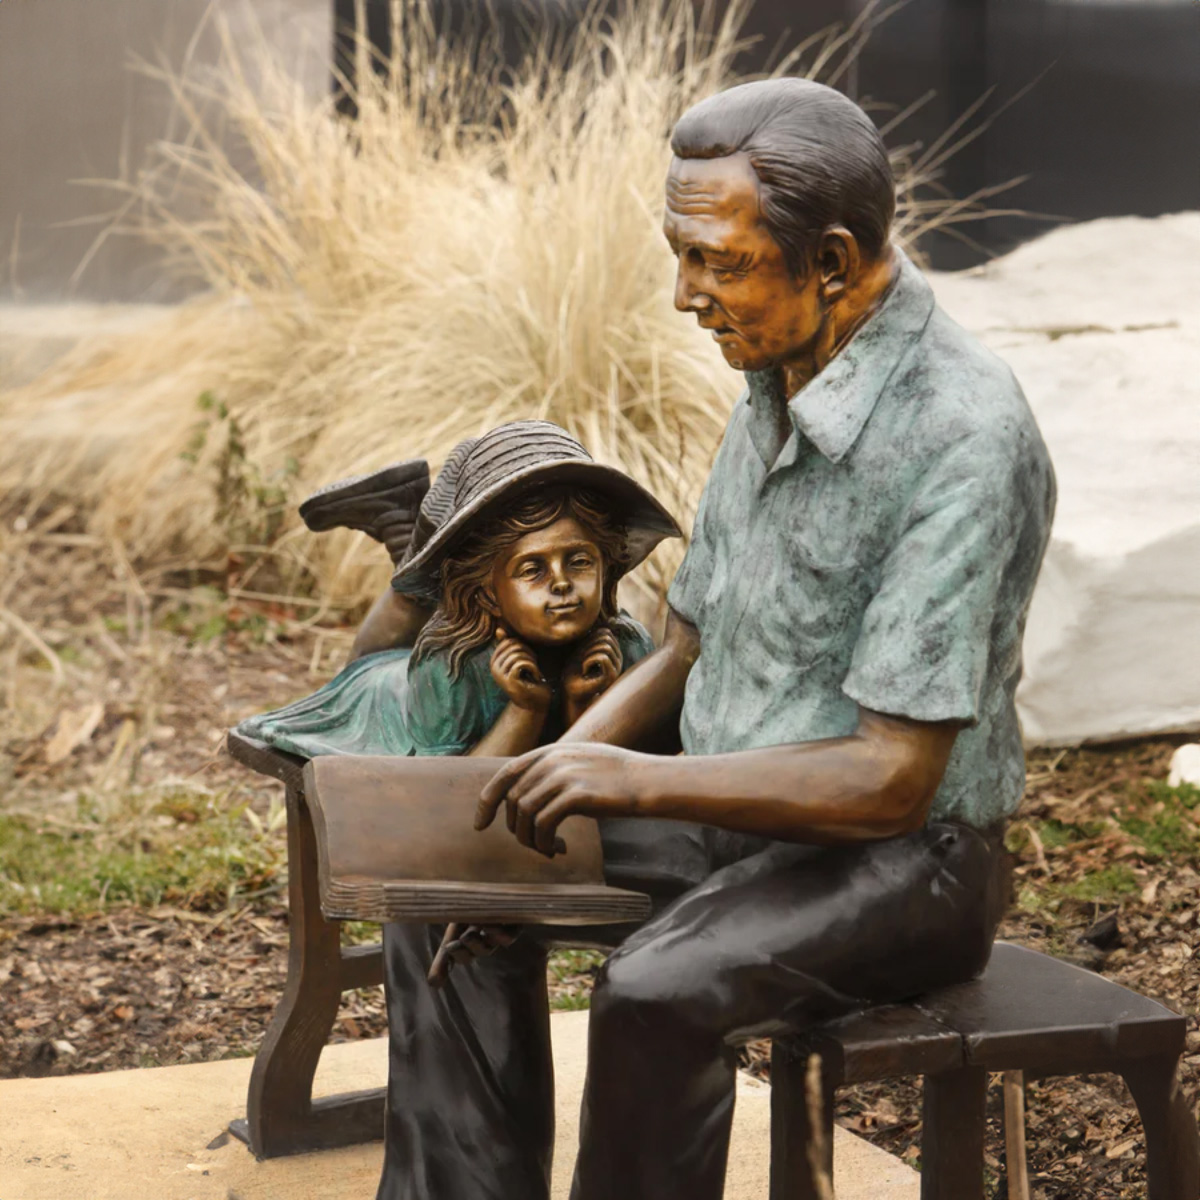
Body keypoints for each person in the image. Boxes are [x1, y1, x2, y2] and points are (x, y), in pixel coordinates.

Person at [366, 78, 1055, 1200]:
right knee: (453, 871)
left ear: (829, 261)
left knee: (656, 988)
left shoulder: (964, 436)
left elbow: (890, 780)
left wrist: (626, 785)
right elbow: (684, 647)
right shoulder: (780, 373)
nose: (686, 294)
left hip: (907, 866)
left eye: (715, 261)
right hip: (731, 820)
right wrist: (555, 771)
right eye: (680, 253)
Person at [237, 419, 678, 765]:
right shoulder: (451, 667)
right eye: (532, 568)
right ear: (487, 593)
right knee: (367, 662)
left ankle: (407, 525)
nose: (561, 583)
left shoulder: (626, 646)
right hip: (387, 703)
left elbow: (611, 776)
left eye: (580, 561)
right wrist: (525, 709)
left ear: (608, 566)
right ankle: (407, 530)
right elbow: (454, 796)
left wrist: (582, 704)